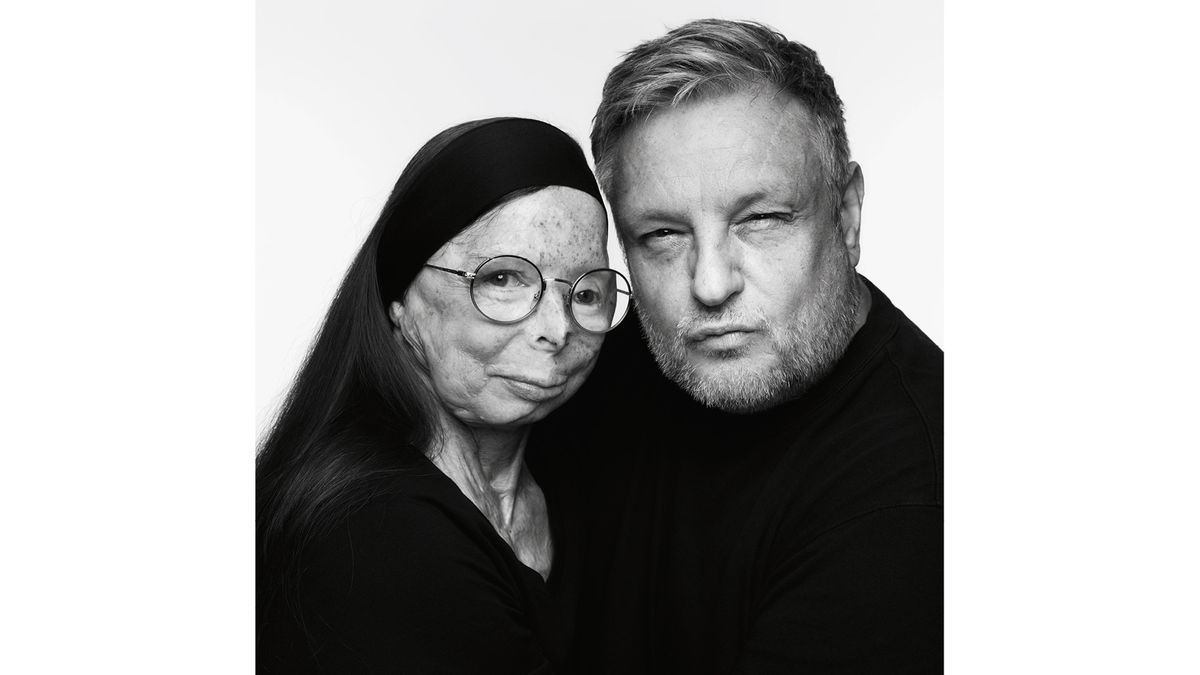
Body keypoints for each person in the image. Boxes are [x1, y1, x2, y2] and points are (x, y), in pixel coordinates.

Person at [531, 19, 943, 673]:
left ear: (847, 214)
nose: (711, 283)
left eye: (761, 219)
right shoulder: (589, 379)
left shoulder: (916, 491)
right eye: (663, 234)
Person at [256, 117, 631, 673]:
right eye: (503, 279)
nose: (557, 327)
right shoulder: (373, 533)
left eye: (587, 291)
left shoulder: (583, 481)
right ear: (401, 299)